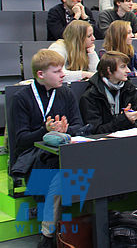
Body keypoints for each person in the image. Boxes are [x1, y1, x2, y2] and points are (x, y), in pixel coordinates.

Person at [9, 49, 85, 247]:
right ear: (41, 74)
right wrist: (45, 131)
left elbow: (80, 126)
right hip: (33, 160)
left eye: (63, 70)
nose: (63, 74)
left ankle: (48, 237)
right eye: (57, 71)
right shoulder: (22, 98)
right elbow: (21, 140)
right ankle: (49, 236)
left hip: (63, 155)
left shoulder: (66, 93)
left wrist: (66, 131)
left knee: (66, 173)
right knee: (61, 178)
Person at [78, 50, 137, 134]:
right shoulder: (91, 96)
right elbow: (95, 131)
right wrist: (124, 119)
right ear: (109, 70)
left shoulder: (130, 89)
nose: (128, 70)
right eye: (123, 67)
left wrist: (132, 120)